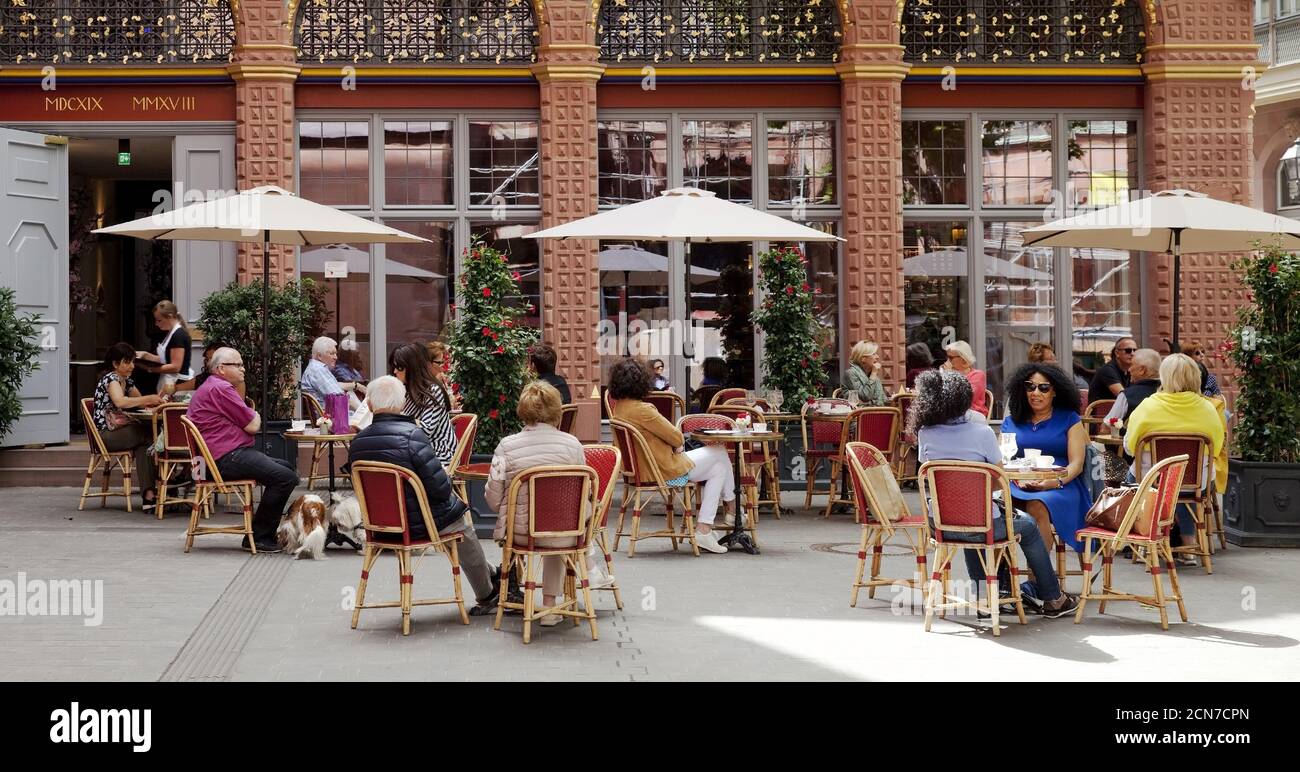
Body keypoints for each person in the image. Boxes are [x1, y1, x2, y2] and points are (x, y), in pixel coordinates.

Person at [912, 369, 1079, 618]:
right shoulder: (982, 433)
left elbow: (929, 473)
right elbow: (1000, 481)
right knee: (1026, 526)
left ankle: (987, 598)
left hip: (941, 523)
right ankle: (1053, 597)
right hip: (982, 523)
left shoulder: (925, 432)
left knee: (974, 522)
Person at [347, 375, 500, 615]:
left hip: (380, 525)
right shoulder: (412, 435)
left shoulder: (357, 443)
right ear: (401, 403)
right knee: (461, 527)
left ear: (371, 404)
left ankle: (491, 573)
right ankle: (487, 593)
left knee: (455, 523)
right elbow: (439, 488)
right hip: (420, 523)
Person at [486, 381, 611, 626]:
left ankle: (547, 600)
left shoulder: (505, 446)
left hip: (520, 534)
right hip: (564, 533)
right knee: (562, 523)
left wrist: (510, 510)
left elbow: (492, 497)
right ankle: (552, 604)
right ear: (557, 409)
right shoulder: (572, 445)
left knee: (550, 524)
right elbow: (584, 490)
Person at [608, 358, 736, 554]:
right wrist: (676, 446)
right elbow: (677, 437)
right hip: (664, 471)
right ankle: (732, 512)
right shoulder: (643, 410)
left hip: (642, 471)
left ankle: (707, 526)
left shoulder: (619, 409)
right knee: (719, 451)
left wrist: (676, 446)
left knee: (719, 467)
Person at [187, 348, 298, 553]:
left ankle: (265, 530)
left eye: (241, 364)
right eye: (237, 365)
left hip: (217, 458)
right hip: (224, 458)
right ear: (221, 368)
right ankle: (260, 537)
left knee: (286, 468)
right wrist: (254, 413)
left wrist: (249, 416)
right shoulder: (221, 388)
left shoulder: (213, 386)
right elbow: (252, 425)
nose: (243, 369)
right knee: (285, 477)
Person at [1124, 353, 1225, 561]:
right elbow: (1216, 448)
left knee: (1131, 482)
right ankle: (1188, 546)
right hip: (1197, 484)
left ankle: (1144, 540)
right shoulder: (1208, 408)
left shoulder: (1148, 406)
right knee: (1185, 488)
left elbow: (1129, 448)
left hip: (1151, 481)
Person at [1001, 363, 1092, 560]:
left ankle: (1039, 582)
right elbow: (1003, 459)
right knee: (994, 505)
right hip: (1018, 482)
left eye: (1043, 388)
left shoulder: (1070, 419)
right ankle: (1002, 578)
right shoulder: (1012, 420)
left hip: (1061, 485)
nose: (1036, 393)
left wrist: (1054, 482)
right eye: (1030, 386)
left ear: (1055, 392)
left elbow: (1076, 464)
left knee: (1037, 504)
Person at [91, 342, 164, 511]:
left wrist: (156, 401)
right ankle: (164, 482)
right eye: (127, 362)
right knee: (150, 435)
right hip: (106, 434)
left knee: (145, 445)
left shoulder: (126, 381)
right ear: (116, 364)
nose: (132, 366)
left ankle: (149, 495)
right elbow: (121, 402)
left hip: (119, 431)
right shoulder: (111, 379)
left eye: (132, 361)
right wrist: (148, 399)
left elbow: (140, 403)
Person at [389, 342, 457, 467]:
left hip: (438, 456)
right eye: (394, 367)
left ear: (412, 368)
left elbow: (425, 431)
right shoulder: (406, 391)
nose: (394, 372)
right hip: (415, 453)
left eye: (399, 368)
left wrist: (395, 419)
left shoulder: (432, 391)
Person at [1103, 348, 1161, 456]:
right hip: (1166, 460)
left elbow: (1106, 427)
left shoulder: (1127, 395)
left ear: (1142, 370)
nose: (1129, 370)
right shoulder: (1171, 394)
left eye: (1132, 365)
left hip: (1132, 460)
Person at [134, 300, 194, 394]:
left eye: (159, 320)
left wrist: (151, 369)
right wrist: (145, 355)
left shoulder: (178, 335)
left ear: (170, 317)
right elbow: (166, 359)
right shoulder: (171, 333)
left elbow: (175, 366)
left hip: (177, 382)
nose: (156, 324)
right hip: (170, 380)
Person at [300, 336, 363, 412]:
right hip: (336, 419)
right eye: (332, 353)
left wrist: (357, 386)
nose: (335, 357)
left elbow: (334, 385)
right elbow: (339, 398)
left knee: (350, 393)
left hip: (334, 417)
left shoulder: (315, 368)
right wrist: (362, 411)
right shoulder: (318, 370)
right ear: (319, 356)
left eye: (336, 354)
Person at [942, 340, 987, 416]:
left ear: (963, 359)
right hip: (953, 413)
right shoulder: (948, 374)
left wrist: (950, 375)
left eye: (950, 358)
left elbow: (966, 398)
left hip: (972, 414)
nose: (947, 361)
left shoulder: (978, 375)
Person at [842, 340, 887, 406]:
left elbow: (882, 398)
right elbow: (866, 396)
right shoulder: (850, 373)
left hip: (876, 413)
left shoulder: (871, 373)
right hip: (859, 414)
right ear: (863, 358)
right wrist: (873, 374)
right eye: (874, 354)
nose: (877, 357)